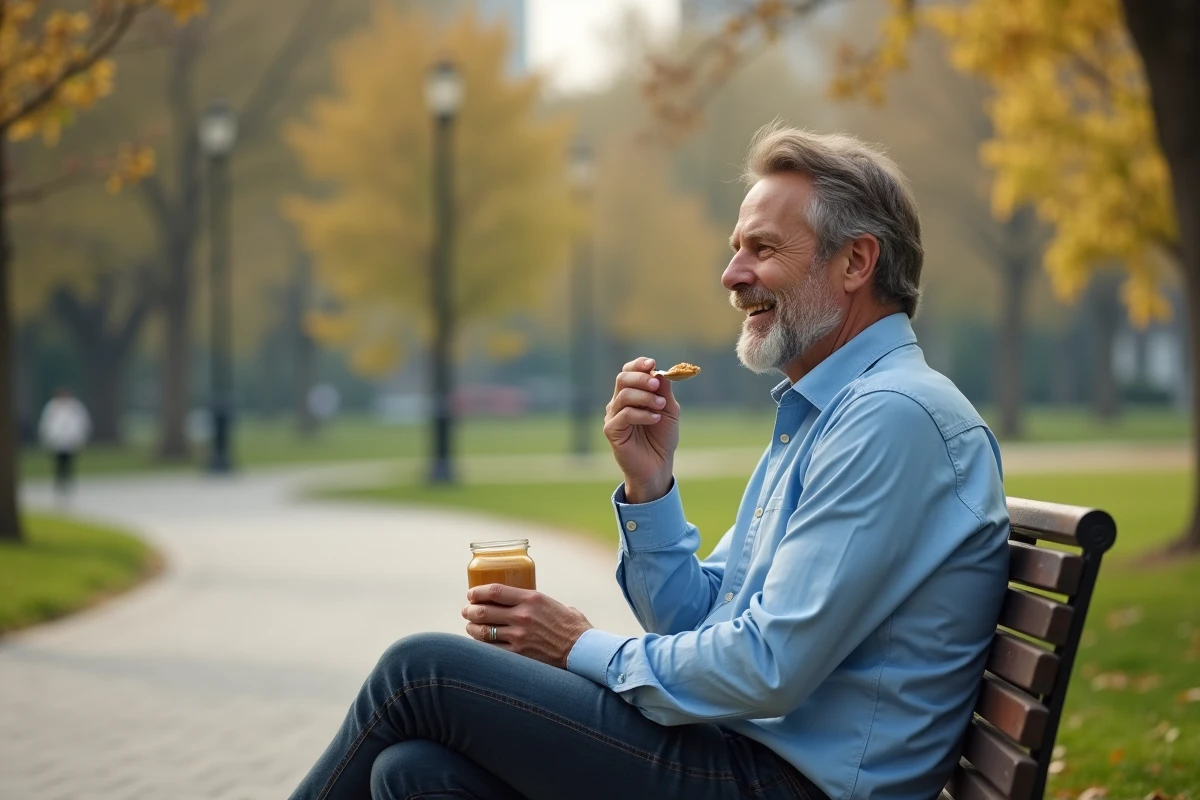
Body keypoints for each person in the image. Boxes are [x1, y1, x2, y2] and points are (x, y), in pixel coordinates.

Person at [290, 125, 1010, 800]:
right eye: (736, 249)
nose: (732, 275)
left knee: (419, 674)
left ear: (856, 261)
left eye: (762, 249)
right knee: (415, 772)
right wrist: (649, 482)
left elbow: (767, 667)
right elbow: (701, 619)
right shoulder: (828, 413)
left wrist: (577, 645)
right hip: (748, 753)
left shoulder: (891, 418)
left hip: (787, 782)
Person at [39, 387, 92, 500]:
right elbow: (47, 424)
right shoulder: (52, 407)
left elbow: (82, 423)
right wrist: (48, 439)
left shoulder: (75, 407)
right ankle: (59, 484)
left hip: (70, 441)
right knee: (58, 464)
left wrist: (80, 438)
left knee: (69, 464)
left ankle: (68, 484)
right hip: (57, 442)